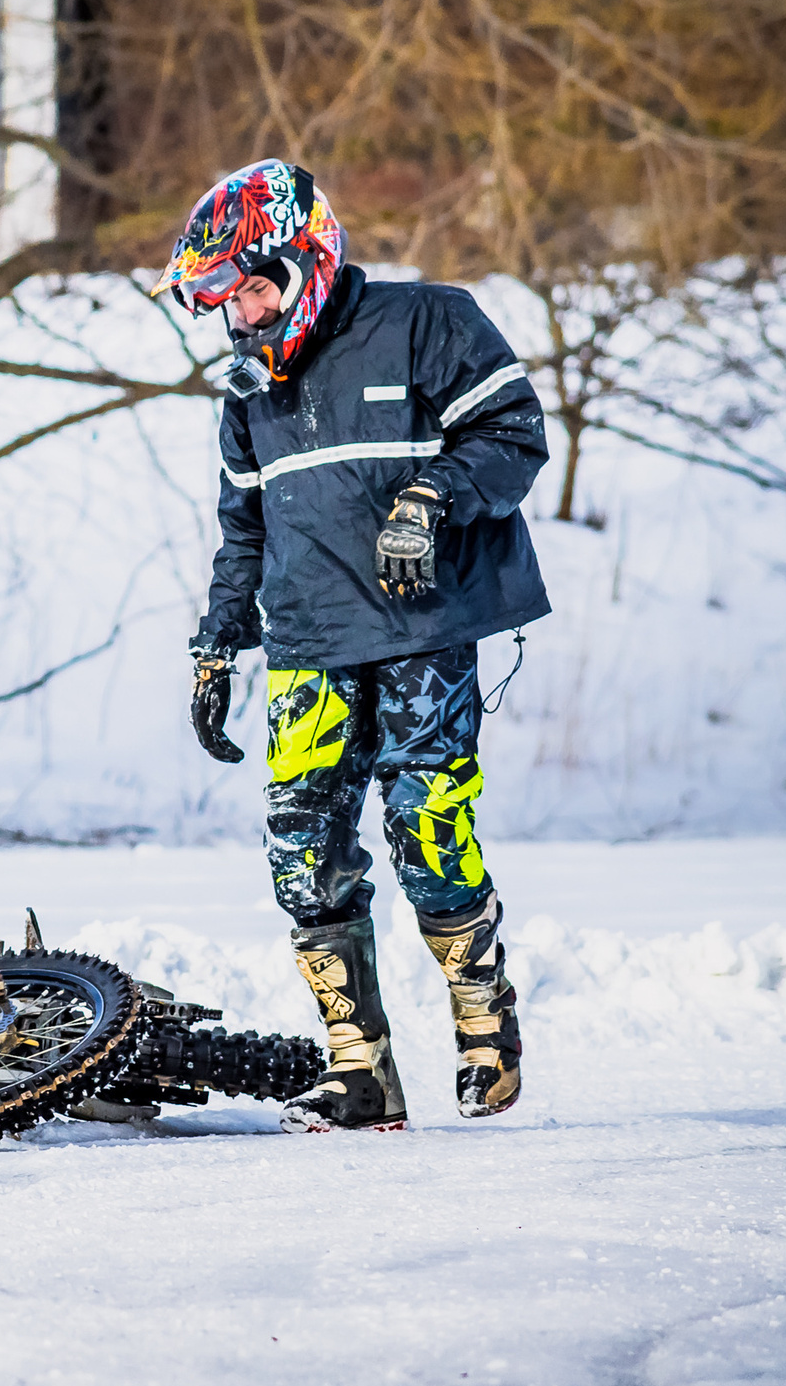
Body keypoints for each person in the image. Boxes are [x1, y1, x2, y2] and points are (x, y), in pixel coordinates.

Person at [160, 159, 550, 1132]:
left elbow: (513, 433)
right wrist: (216, 643)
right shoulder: (248, 391)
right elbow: (243, 532)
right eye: (227, 301)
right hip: (307, 642)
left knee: (425, 826)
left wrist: (431, 496)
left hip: (423, 625)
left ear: (308, 261)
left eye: (255, 289)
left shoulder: (426, 321)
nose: (244, 314)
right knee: (303, 850)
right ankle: (359, 1071)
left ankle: (482, 1023)